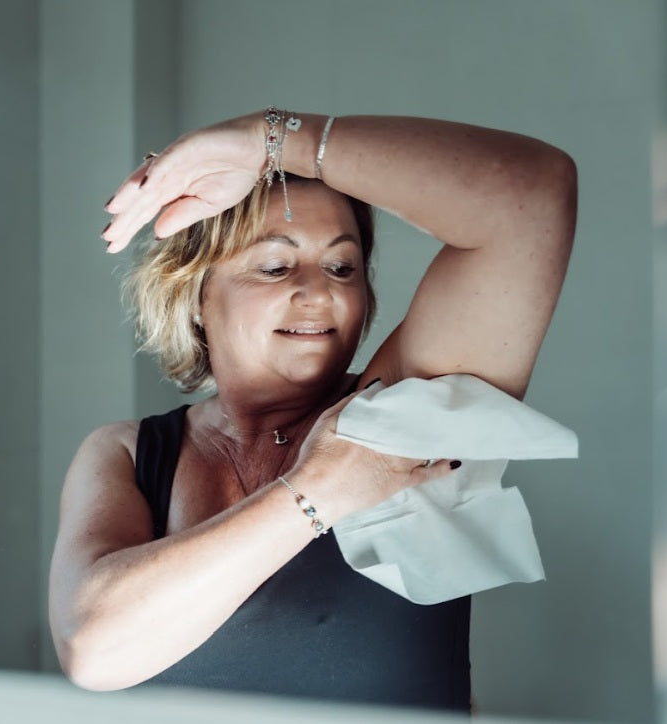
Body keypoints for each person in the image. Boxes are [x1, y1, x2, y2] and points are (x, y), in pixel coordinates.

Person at [47, 110, 576, 711]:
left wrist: (269, 140)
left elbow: (533, 194)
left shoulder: (404, 411)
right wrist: (315, 492)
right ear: (194, 294)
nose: (320, 291)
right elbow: (93, 647)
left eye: (342, 267)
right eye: (275, 265)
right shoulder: (127, 453)